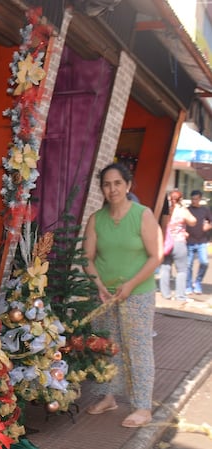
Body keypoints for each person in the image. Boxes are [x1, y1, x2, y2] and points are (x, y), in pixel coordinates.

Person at [83, 162, 162, 428]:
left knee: (138, 348)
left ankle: (142, 407)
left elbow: (155, 256)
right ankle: (108, 397)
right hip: (104, 296)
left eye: (117, 183)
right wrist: (98, 285)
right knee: (106, 346)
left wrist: (130, 284)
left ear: (127, 185)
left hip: (137, 293)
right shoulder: (96, 219)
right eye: (107, 184)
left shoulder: (142, 215)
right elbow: (87, 258)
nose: (112, 189)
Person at [159, 189, 196, 302]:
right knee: (182, 270)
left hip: (166, 243)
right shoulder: (182, 210)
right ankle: (180, 296)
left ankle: (166, 294)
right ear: (181, 199)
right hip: (179, 243)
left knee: (165, 268)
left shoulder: (166, 211)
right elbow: (193, 221)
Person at [185, 190, 212, 295]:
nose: (194, 201)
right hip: (189, 241)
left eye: (196, 199)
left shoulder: (205, 210)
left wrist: (208, 226)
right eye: (192, 199)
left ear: (200, 199)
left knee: (204, 262)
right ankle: (188, 286)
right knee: (188, 265)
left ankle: (198, 282)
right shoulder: (187, 210)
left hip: (202, 241)